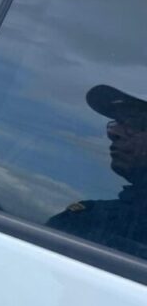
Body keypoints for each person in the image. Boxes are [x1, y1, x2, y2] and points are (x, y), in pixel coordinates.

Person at [48, 84, 147, 257]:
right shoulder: (87, 216)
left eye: (133, 123)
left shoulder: (86, 220)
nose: (113, 132)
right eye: (117, 122)